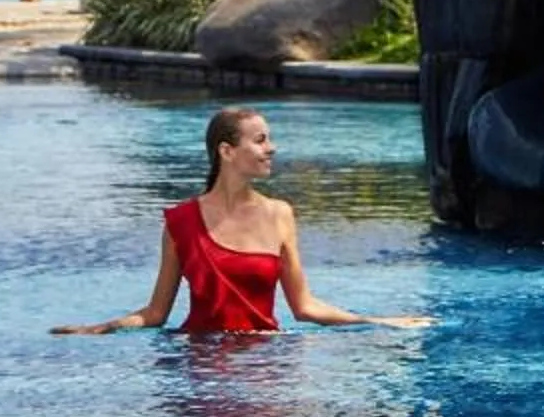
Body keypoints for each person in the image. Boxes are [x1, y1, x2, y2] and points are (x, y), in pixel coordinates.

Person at [53, 106, 430, 334]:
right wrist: (102, 327)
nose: (272, 148)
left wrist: (376, 322)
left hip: (264, 363)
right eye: (261, 140)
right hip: (199, 367)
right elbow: (155, 314)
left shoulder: (280, 215)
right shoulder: (180, 222)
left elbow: (305, 307)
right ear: (227, 151)